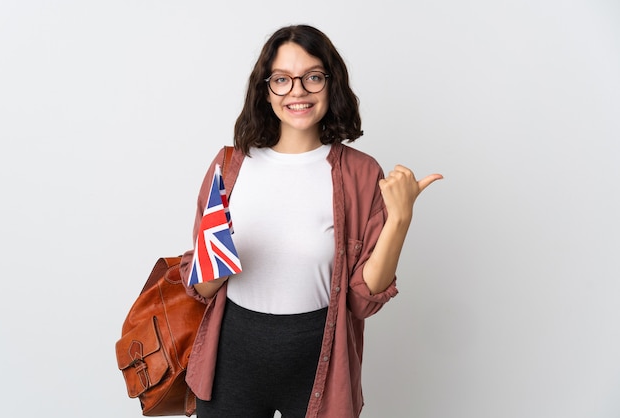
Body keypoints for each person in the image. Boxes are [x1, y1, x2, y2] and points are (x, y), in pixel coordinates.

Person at [179, 24, 442, 418]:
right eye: (282, 79)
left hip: (322, 360)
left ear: (330, 85)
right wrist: (216, 261)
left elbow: (362, 300)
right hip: (231, 360)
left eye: (312, 77)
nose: (297, 91)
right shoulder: (229, 166)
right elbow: (200, 285)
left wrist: (399, 220)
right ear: (265, 90)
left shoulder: (361, 173)